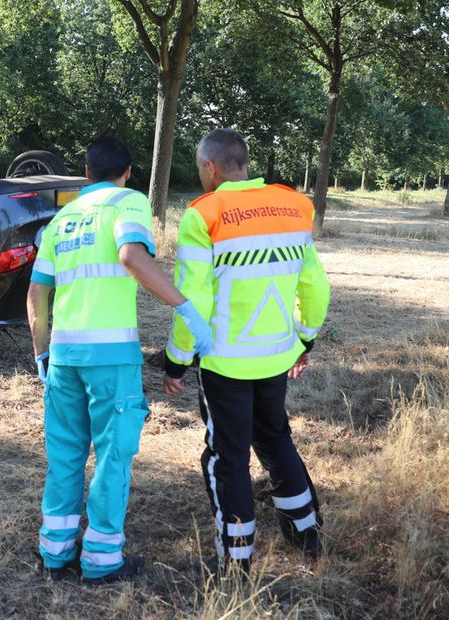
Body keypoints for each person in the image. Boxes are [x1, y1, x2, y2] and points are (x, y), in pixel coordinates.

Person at [27, 137, 213, 584]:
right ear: (128, 172)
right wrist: (185, 307)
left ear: (85, 173)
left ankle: (54, 553)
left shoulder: (62, 217)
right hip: (111, 357)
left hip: (65, 357)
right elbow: (131, 256)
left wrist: (41, 353)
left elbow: (36, 292)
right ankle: (102, 559)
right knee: (113, 455)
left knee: (66, 454)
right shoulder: (129, 202)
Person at [163, 128, 331, 574]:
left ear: (210, 168)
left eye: (200, 168)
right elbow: (314, 284)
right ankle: (307, 534)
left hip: (224, 362)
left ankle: (236, 561)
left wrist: (177, 360)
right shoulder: (295, 206)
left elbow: (191, 300)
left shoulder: (203, 214)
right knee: (276, 439)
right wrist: (305, 339)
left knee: (229, 456)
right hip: (276, 355)